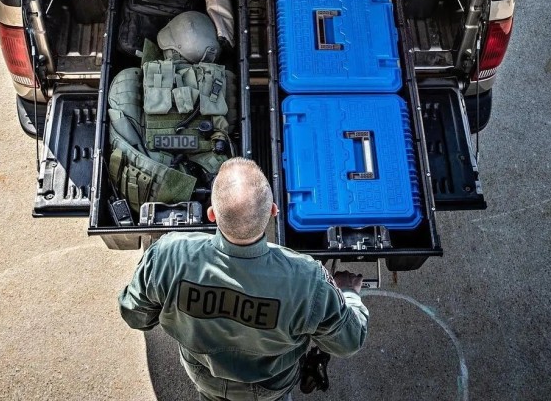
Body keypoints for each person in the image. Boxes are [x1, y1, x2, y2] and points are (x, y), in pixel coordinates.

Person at [118, 157, 369, 401]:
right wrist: (348, 294)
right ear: (273, 211)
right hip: (271, 385)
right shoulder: (308, 280)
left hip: (204, 375)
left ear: (212, 214)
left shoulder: (167, 256)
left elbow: (135, 315)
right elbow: (348, 342)